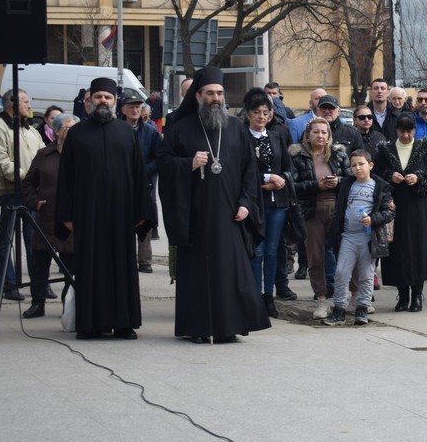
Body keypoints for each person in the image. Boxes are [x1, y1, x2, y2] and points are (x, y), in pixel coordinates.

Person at [158, 67, 270, 343]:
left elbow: (249, 170)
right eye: (210, 93)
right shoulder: (179, 128)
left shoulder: (236, 127)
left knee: (230, 273)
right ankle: (197, 328)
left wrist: (246, 202)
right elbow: (163, 163)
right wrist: (188, 163)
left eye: (219, 93)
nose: (216, 98)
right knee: (198, 274)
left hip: (230, 214)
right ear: (198, 96)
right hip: (195, 215)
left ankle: (228, 328)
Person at [56, 78, 155, 339]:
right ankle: (89, 325)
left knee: (121, 268)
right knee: (90, 268)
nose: (103, 101)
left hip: (121, 215)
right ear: (89, 101)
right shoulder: (77, 133)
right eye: (98, 97)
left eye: (107, 97)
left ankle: (124, 324)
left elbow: (138, 174)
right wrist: (66, 215)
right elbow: (65, 177)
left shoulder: (126, 132)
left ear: (115, 102)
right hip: (87, 214)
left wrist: (141, 212)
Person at [0, 89, 45, 301]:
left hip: (31, 194)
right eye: (26, 101)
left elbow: (43, 157)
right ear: (13, 104)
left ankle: (39, 283)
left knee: (34, 239)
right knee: (5, 240)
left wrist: (41, 179)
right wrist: (26, 178)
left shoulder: (31, 131)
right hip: (11, 192)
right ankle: (8, 283)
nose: (30, 105)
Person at [323, 149, 395, 326]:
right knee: (341, 272)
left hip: (369, 238)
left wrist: (372, 219)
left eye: (361, 164)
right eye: (353, 165)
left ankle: (362, 308)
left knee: (366, 275)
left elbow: (389, 211)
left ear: (370, 165)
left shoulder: (381, 187)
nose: (357, 168)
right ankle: (339, 309)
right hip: (348, 236)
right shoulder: (347, 184)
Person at [375, 114, 427, 312]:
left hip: (419, 208)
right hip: (394, 208)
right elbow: (375, 176)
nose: (405, 135)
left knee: (418, 249)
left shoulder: (426, 150)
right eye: (402, 131)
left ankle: (417, 295)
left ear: (414, 131)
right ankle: (402, 295)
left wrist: (418, 179)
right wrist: (389, 176)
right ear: (396, 130)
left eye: (409, 131)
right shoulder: (385, 151)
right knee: (398, 251)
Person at [290, 118, 351, 319]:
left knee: (345, 254)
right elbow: (293, 187)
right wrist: (317, 186)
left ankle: (349, 296)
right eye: (316, 132)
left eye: (324, 132)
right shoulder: (298, 157)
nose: (320, 136)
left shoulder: (339, 154)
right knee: (315, 257)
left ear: (329, 135)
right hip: (312, 212)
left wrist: (338, 181)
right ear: (308, 135)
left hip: (338, 210)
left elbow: (352, 180)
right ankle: (321, 299)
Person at [21, 114, 76, 319]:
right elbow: (28, 184)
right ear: (57, 130)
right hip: (45, 218)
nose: (73, 132)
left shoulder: (82, 155)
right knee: (40, 262)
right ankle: (37, 303)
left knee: (71, 265)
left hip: (70, 221)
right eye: (69, 128)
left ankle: (68, 305)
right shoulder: (44, 155)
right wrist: (35, 202)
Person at [243, 88, 292, 318]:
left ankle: (268, 296)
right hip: (255, 202)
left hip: (278, 202)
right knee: (258, 250)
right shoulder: (242, 137)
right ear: (248, 114)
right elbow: (240, 170)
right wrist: (267, 178)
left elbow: (288, 167)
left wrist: (282, 179)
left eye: (266, 112)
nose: (262, 117)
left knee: (273, 250)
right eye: (257, 112)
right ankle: (254, 297)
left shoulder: (276, 136)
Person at [120, 89, 161, 274]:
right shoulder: (116, 130)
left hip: (145, 184)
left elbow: (158, 157)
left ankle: (144, 261)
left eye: (138, 107)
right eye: (131, 107)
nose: (135, 110)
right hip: (121, 184)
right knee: (123, 220)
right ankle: (125, 258)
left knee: (144, 220)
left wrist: (144, 171)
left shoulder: (151, 132)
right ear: (123, 109)